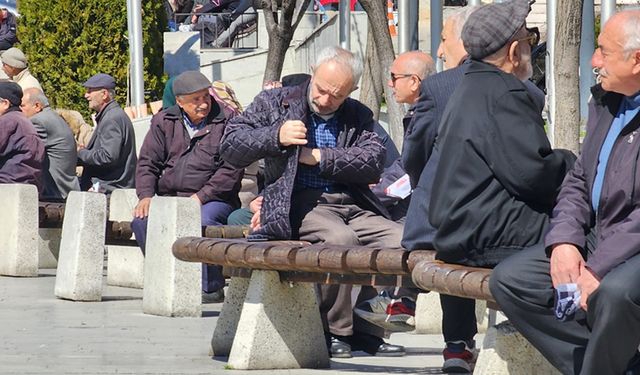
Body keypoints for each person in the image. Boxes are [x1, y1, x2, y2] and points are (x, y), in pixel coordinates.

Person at [220, 46, 406, 359]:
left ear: (351, 90)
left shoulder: (358, 114)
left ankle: (370, 323)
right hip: (302, 201)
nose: (324, 100)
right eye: (321, 89)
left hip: (355, 203)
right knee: (340, 241)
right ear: (312, 72)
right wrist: (275, 135)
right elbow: (230, 145)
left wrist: (320, 156)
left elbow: (374, 161)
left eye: (336, 95)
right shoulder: (276, 103)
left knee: (404, 239)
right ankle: (335, 330)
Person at [490, 9, 640, 375]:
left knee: (616, 294)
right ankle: (615, 364)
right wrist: (564, 243)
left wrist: (597, 267)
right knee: (511, 280)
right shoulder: (605, 101)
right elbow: (579, 180)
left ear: (636, 60)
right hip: (599, 238)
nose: (594, 60)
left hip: (631, 248)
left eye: (604, 50)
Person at [429, 1, 576, 373]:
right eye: (530, 39)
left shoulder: (469, 85)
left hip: (459, 230)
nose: (531, 46)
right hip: (487, 235)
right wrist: (571, 162)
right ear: (514, 52)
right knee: (586, 237)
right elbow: (534, 176)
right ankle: (598, 348)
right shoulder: (505, 93)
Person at [133, 71, 242, 303]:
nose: (203, 104)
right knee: (142, 221)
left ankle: (210, 287)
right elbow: (147, 162)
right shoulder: (164, 121)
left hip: (214, 199)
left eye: (206, 97)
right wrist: (146, 196)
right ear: (180, 102)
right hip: (170, 195)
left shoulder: (227, 121)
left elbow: (230, 171)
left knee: (202, 220)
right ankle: (164, 277)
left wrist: (200, 197)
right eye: (196, 99)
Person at [77, 73, 137, 193]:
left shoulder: (111, 119)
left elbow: (108, 156)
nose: (86, 95)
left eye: (90, 91)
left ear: (104, 94)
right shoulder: (111, 116)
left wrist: (81, 153)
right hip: (110, 188)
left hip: (110, 189)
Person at [21, 88, 80, 200]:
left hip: (55, 193)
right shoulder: (53, 117)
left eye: (22, 106)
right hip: (66, 190)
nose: (19, 109)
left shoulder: (38, 121)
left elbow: (25, 151)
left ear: (37, 106)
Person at [0, 81, 44, 189]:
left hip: (8, 185)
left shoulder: (8, 121)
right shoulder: (21, 119)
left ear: (5, 103)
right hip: (24, 184)